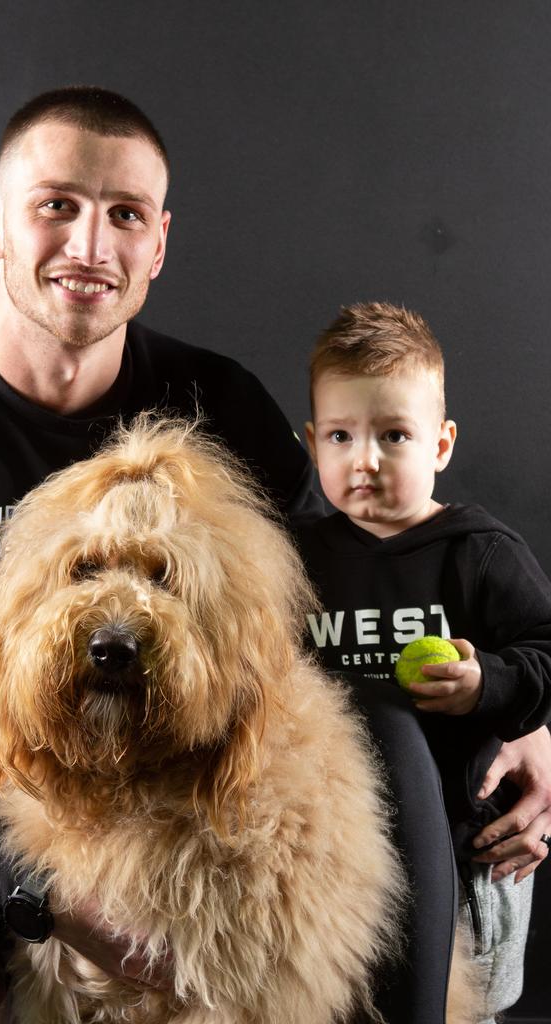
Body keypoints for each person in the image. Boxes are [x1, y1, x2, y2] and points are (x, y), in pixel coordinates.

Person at [0, 88, 547, 1024]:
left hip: (192, 771)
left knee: (387, 735)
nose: (92, 247)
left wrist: (520, 711)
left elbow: (361, 581)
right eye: (57, 204)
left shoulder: (220, 403)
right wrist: (37, 892)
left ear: (159, 245)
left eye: (126, 215)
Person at [296, 300, 551, 1024]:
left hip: (469, 847)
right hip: (338, 853)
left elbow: (546, 648)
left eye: (394, 435)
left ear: (440, 444)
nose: (364, 460)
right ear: (312, 442)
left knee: (464, 1006)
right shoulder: (298, 558)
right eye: (341, 435)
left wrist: (486, 686)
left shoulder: (479, 553)